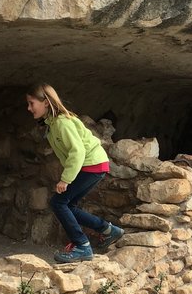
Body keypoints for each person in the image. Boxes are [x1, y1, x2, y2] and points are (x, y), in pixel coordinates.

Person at [25, 83, 123, 262]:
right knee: (67, 205)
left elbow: (77, 152)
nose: (29, 108)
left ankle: (82, 246)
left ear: (46, 102)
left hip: (91, 164)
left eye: (32, 103)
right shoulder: (54, 123)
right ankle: (109, 230)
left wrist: (65, 179)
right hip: (94, 165)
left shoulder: (62, 122)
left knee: (58, 202)